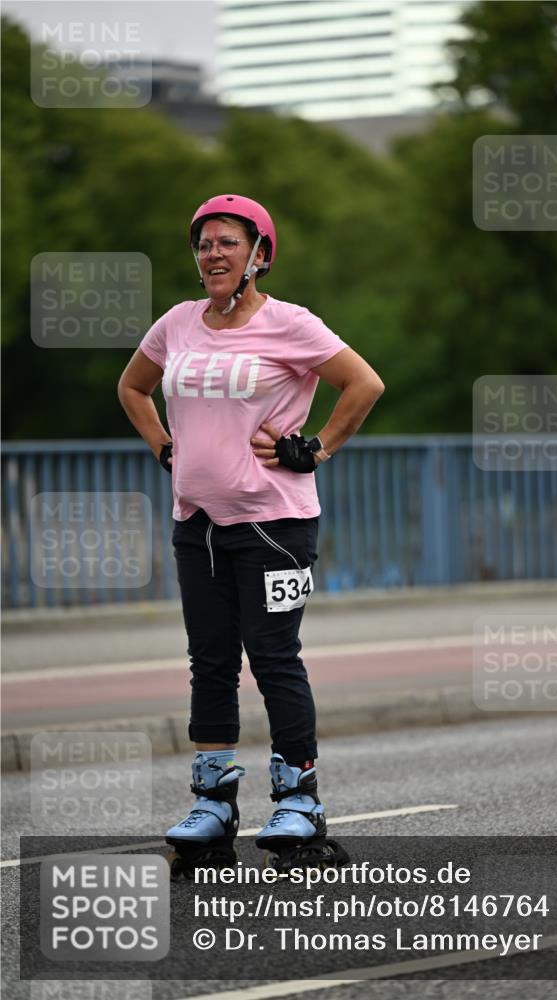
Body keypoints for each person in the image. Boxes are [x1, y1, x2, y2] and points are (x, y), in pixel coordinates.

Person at [118, 194, 384, 876]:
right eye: (203, 242)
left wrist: (315, 447)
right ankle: (213, 802)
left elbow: (362, 383)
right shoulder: (178, 323)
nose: (211, 253)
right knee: (209, 662)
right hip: (196, 525)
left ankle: (298, 799)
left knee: (273, 659)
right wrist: (163, 447)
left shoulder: (289, 324)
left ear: (258, 254)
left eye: (227, 242)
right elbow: (134, 388)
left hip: (275, 524)